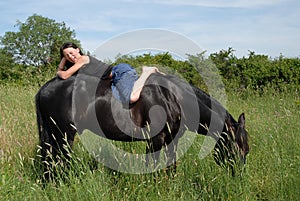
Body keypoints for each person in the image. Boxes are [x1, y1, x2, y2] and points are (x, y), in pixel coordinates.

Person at [57, 42, 159, 104]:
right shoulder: (78, 64)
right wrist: (64, 59)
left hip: (119, 72)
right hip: (113, 78)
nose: (70, 56)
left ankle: (146, 72)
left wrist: (60, 68)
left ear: (78, 50)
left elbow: (65, 75)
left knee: (132, 98)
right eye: (67, 56)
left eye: (71, 53)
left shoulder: (83, 59)